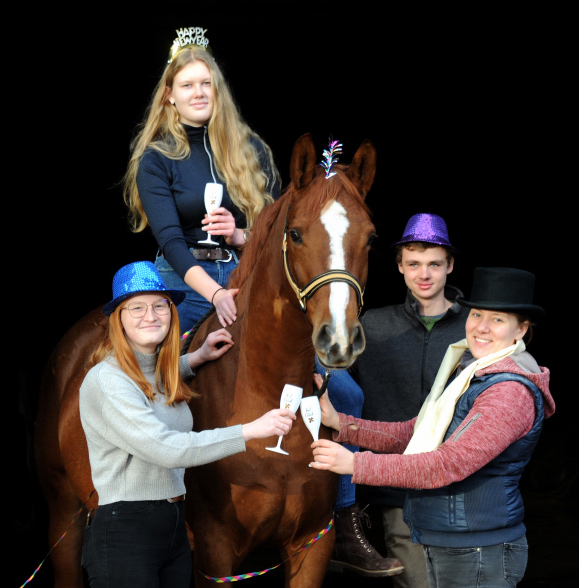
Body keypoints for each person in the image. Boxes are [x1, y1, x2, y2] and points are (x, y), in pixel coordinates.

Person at [311, 267, 554, 588]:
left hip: (477, 551)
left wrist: (355, 464)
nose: (481, 327)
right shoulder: (472, 373)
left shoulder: (508, 392)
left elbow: (447, 464)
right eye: (477, 314)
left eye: (497, 319)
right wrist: (341, 423)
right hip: (450, 541)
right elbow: (416, 433)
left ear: (520, 329)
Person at [80, 261, 295, 588]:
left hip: (173, 527)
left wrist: (195, 358)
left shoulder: (157, 373)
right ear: (118, 320)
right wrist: (251, 430)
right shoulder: (107, 381)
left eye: (159, 305)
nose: (150, 315)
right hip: (127, 530)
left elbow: (153, 380)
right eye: (136, 307)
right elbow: (165, 449)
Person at [315, 212, 468, 584]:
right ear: (399, 267)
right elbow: (335, 386)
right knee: (419, 580)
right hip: (394, 490)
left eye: (434, 264)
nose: (424, 274)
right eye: (413, 264)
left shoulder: (476, 328)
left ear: (450, 265)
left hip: (463, 488)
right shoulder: (372, 327)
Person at [123, 27, 280, 335]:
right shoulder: (156, 158)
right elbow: (170, 242)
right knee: (151, 371)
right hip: (183, 280)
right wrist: (216, 294)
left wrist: (239, 235)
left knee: (339, 383)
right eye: (187, 85)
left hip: (245, 273)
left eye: (206, 83)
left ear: (217, 89)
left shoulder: (253, 150)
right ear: (170, 95)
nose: (199, 92)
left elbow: (277, 233)